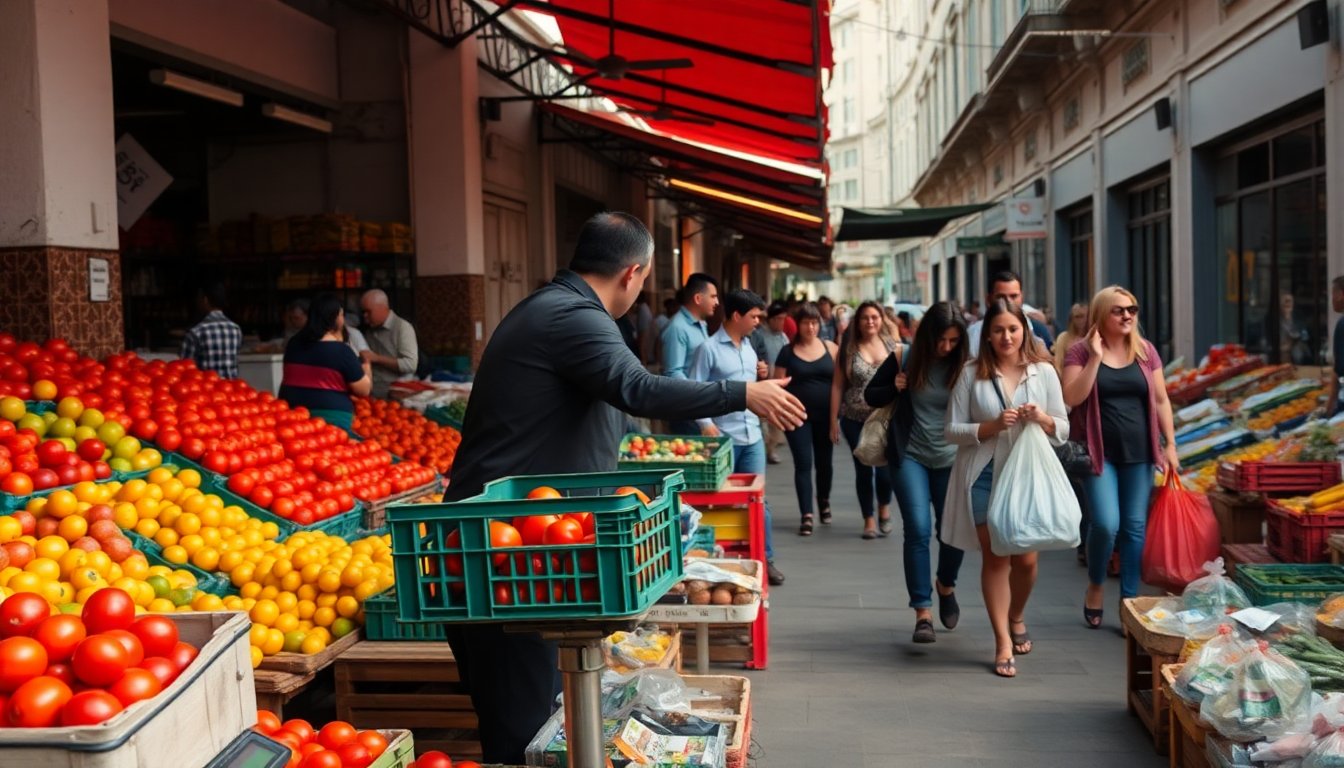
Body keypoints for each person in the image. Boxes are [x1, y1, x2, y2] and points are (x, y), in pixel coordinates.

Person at [444, 212, 805, 764]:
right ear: (633, 273)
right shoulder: (573, 316)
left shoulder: (555, 309)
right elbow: (637, 388)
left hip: (524, 543)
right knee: (521, 731)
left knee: (537, 720)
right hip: (504, 550)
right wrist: (740, 393)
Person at [944, 299, 1069, 678]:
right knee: (996, 556)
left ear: (1024, 331)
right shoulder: (971, 373)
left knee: (1026, 560)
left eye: (1013, 329)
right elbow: (951, 430)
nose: (1006, 337)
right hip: (984, 473)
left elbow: (1063, 428)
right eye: (998, 330)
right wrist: (991, 426)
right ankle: (1001, 641)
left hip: (1027, 478)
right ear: (987, 335)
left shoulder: (1043, 372)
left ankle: (1016, 615)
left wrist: (1042, 418)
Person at [1063, 286, 1178, 628]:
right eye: (1119, 310)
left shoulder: (1146, 351)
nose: (1128, 315)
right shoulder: (1080, 352)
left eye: (1132, 309)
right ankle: (1096, 583)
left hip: (1140, 453)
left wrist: (1171, 445)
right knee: (1105, 524)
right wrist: (1095, 358)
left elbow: (1161, 400)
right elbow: (1072, 397)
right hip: (1098, 453)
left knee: (1134, 527)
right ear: (1101, 315)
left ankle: (1129, 602)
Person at [864, 302, 968, 644]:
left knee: (952, 532)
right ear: (927, 336)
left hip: (952, 458)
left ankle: (946, 585)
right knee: (918, 529)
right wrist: (894, 386)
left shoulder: (966, 365)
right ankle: (923, 612)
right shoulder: (905, 356)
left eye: (953, 340)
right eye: (941, 340)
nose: (946, 347)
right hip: (910, 455)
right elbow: (870, 395)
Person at [691, 289, 786, 586]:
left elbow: (751, 390)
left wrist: (762, 375)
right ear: (736, 316)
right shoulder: (708, 349)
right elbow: (694, 390)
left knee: (759, 501)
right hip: (724, 440)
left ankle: (765, 560)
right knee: (720, 502)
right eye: (754, 316)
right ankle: (721, 562)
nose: (758, 322)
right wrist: (706, 424)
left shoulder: (749, 347)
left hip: (753, 436)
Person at [831, 301, 901, 539]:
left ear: (881, 319)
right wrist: (833, 420)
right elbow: (837, 385)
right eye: (865, 318)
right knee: (862, 469)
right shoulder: (848, 348)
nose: (870, 322)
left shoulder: (893, 345)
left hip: (885, 418)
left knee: (884, 470)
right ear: (857, 322)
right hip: (854, 419)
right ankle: (868, 519)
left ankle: (884, 507)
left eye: (874, 317)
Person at [774, 302, 839, 536]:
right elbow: (778, 386)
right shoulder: (787, 351)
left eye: (814, 323)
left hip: (825, 417)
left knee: (824, 464)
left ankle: (824, 500)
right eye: (805, 323)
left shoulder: (830, 348)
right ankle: (807, 514)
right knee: (803, 463)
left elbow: (839, 384)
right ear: (798, 325)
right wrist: (780, 415)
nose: (810, 327)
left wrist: (835, 419)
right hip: (796, 417)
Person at [278, 293, 373, 429]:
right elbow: (363, 390)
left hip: (292, 416)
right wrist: (366, 366)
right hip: (332, 418)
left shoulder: (293, 344)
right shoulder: (341, 351)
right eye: (341, 315)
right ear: (336, 318)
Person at [661, 273, 720, 433]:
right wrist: (698, 398)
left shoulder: (701, 323)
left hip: (702, 407)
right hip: (688, 411)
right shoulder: (677, 328)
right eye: (713, 297)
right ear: (698, 298)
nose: (717, 302)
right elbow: (673, 373)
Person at [966, 271, 1054, 353]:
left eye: (1013, 296)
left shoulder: (1039, 331)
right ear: (988, 299)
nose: (1008, 301)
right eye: (1001, 297)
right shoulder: (972, 335)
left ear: (1022, 298)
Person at [358, 289, 419, 398]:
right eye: (363, 312)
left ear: (382, 307)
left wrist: (377, 358)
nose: (365, 316)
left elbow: (410, 365)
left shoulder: (402, 328)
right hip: (373, 391)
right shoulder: (370, 329)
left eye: (368, 311)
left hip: (396, 393)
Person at [752, 301, 792, 463]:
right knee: (761, 420)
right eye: (779, 319)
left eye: (784, 319)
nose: (782, 323)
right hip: (762, 382)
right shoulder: (759, 335)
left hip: (779, 383)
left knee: (776, 419)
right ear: (771, 319)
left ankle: (771, 450)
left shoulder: (783, 337)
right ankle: (761, 449)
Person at [181, 284, 242, 379]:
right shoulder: (236, 329)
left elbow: (184, 368)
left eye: (199, 298)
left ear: (205, 300)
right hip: (231, 386)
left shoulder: (196, 332)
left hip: (207, 387)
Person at [1053, 303, 1090, 372]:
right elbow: (1058, 363)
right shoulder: (1063, 338)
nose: (1081, 320)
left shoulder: (1094, 337)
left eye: (1083, 316)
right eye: (1077, 317)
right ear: (1071, 319)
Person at [1328, 277, 1344, 416]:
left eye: (1333, 294)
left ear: (1340, 295)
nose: (1332, 299)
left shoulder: (1342, 325)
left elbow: (1339, 369)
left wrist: (1330, 403)